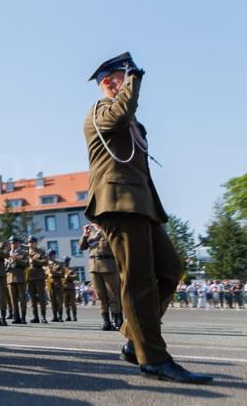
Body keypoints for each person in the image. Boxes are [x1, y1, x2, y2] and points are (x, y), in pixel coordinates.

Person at [84, 52, 211, 383]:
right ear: (110, 81)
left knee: (170, 271)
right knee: (138, 280)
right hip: (119, 203)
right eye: (121, 78)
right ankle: (153, 358)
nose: (126, 82)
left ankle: (133, 338)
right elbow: (122, 110)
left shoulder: (131, 123)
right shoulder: (100, 112)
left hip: (142, 205)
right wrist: (135, 80)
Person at [25, 236, 49, 324]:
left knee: (41, 298)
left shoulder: (41, 251)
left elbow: (45, 262)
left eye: (32, 242)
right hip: (29, 277)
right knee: (32, 298)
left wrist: (34, 261)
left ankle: (43, 316)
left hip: (39, 277)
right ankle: (35, 316)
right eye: (29, 242)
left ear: (35, 243)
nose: (30, 244)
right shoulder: (26, 253)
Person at [5, 235, 28, 324]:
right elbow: (5, 268)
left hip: (20, 278)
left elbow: (26, 264)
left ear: (18, 243)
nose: (12, 245)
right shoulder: (8, 254)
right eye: (11, 243)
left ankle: (23, 317)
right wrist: (7, 263)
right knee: (13, 300)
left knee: (22, 299)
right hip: (10, 278)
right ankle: (16, 317)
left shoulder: (23, 253)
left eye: (14, 243)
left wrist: (17, 260)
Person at [46, 250, 64, 322]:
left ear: (54, 255)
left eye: (50, 255)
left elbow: (62, 273)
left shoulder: (59, 263)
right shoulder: (46, 265)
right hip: (49, 284)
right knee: (52, 301)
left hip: (57, 284)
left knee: (59, 301)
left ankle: (60, 316)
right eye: (48, 255)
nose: (49, 256)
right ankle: (54, 316)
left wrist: (53, 272)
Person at [62, 256, 78, 321]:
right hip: (63, 289)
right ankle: (68, 316)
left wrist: (68, 276)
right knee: (66, 303)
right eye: (65, 261)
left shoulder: (72, 269)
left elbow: (76, 277)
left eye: (67, 261)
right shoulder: (62, 269)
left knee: (73, 303)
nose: (66, 262)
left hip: (71, 288)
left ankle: (74, 316)